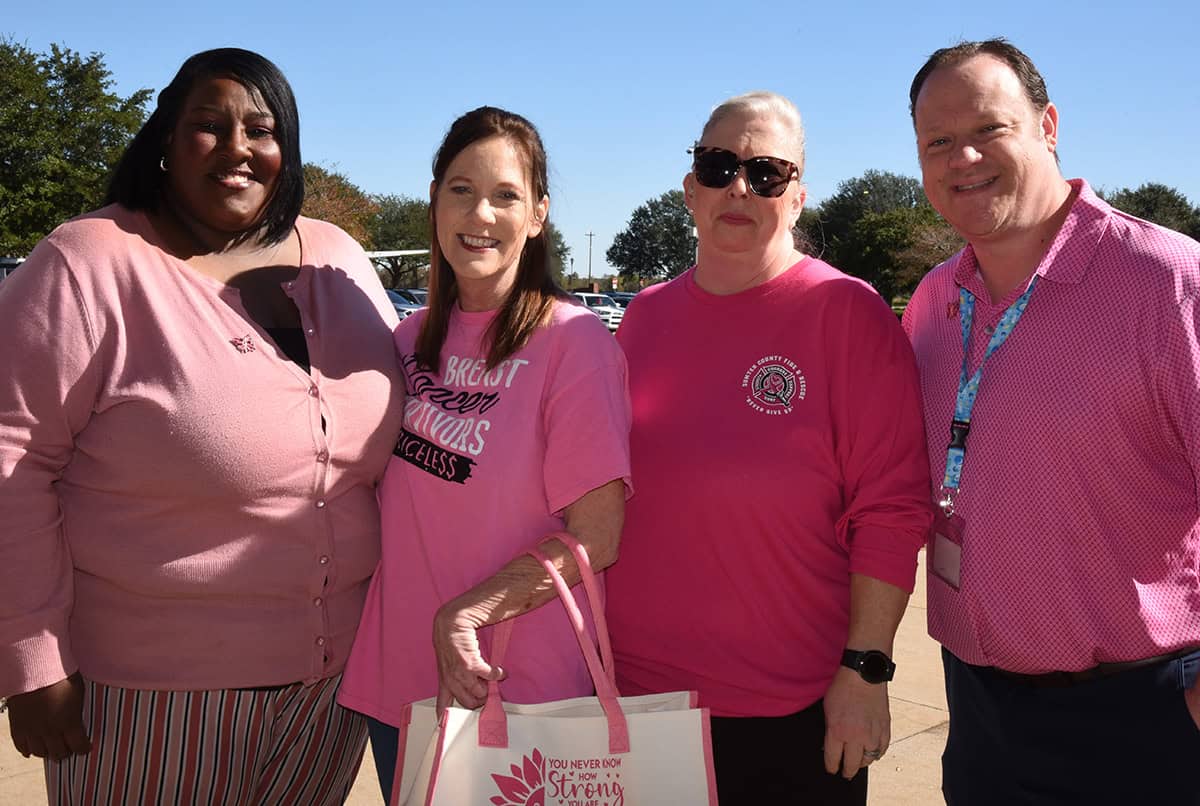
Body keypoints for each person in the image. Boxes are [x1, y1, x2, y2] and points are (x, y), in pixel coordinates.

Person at [0, 48, 405, 805]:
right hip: (152, 694)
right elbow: (12, 461)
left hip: (331, 694)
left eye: (261, 128)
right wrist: (32, 657)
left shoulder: (338, 257)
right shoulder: (87, 263)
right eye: (208, 127)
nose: (238, 149)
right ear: (164, 140)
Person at [606, 91, 932, 804]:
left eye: (767, 172)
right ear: (690, 186)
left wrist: (867, 669)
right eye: (720, 165)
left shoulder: (849, 314)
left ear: (798, 197)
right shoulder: (644, 316)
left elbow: (892, 509)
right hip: (637, 701)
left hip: (789, 709)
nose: (739, 187)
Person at [901, 38, 1200, 805]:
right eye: (938, 141)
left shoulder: (1169, 282)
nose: (963, 155)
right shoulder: (934, 300)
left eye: (989, 128)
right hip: (976, 711)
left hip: (1146, 716)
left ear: (1048, 125)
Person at [337, 106, 631, 800]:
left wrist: (466, 613)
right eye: (461, 189)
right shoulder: (406, 340)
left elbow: (599, 536)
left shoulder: (575, 343)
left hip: (514, 694)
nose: (481, 212)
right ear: (435, 200)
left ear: (537, 216)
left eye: (506, 195)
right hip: (397, 683)